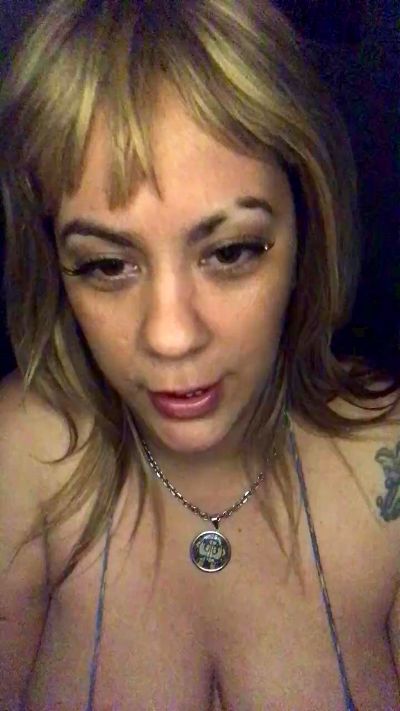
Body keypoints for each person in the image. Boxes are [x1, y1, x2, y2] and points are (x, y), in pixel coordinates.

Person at [0, 0, 399, 708]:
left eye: (231, 252)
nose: (171, 336)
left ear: (309, 230)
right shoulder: (18, 459)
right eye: (106, 265)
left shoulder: (387, 468)